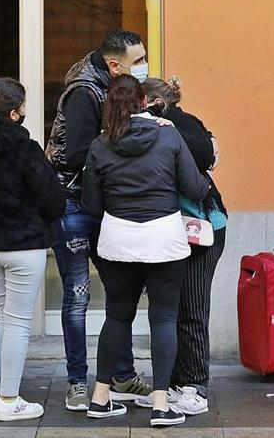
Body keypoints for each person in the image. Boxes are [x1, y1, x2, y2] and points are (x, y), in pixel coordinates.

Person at [81, 75, 209, 427]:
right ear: (144, 101)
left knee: (117, 316)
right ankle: (160, 404)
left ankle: (100, 398)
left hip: (117, 239)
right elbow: (196, 189)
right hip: (163, 237)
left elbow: (91, 203)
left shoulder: (100, 143)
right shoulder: (168, 135)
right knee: (164, 317)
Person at [45, 29, 152, 411]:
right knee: (77, 296)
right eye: (138, 61)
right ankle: (77, 382)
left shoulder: (105, 84)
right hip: (73, 205)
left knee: (119, 292)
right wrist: (118, 144)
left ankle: (122, 375)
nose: (143, 67)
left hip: (102, 204)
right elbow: (74, 154)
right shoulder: (84, 93)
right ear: (113, 63)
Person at [0, 78, 65, 422]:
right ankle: (9, 399)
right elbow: (52, 200)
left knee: (5, 319)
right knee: (18, 324)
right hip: (23, 246)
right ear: (15, 112)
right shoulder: (24, 147)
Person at [136, 76, 228, 416]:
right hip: (174, 230)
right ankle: (174, 385)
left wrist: (167, 127)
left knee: (191, 307)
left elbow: (204, 159)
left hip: (201, 230)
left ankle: (195, 386)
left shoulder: (182, 125)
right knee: (169, 311)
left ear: (153, 103)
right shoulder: (165, 126)